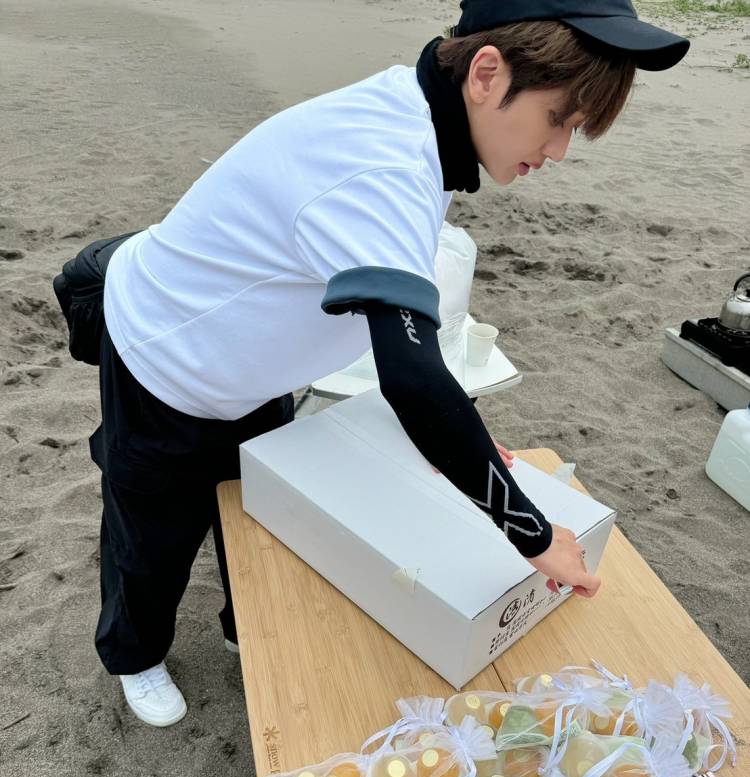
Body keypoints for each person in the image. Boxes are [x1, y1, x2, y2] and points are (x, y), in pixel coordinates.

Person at [53, 0, 689, 727]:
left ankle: (243, 626)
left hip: (253, 365)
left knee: (258, 508)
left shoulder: (423, 117)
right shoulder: (381, 163)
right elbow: (413, 378)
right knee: (151, 530)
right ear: (487, 74)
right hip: (168, 355)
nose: (560, 150)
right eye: (559, 119)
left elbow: (407, 349)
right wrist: (535, 536)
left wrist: (462, 438)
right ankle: (134, 655)